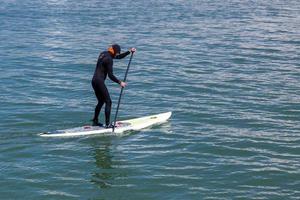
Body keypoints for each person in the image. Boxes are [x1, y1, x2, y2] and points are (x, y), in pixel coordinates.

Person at [92, 44, 136, 128]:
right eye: (116, 53)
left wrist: (129, 52)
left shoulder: (104, 53)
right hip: (99, 81)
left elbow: (118, 57)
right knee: (108, 102)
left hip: (94, 81)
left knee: (101, 101)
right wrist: (120, 82)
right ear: (114, 52)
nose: (116, 55)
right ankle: (108, 124)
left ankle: (95, 121)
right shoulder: (109, 59)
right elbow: (110, 75)